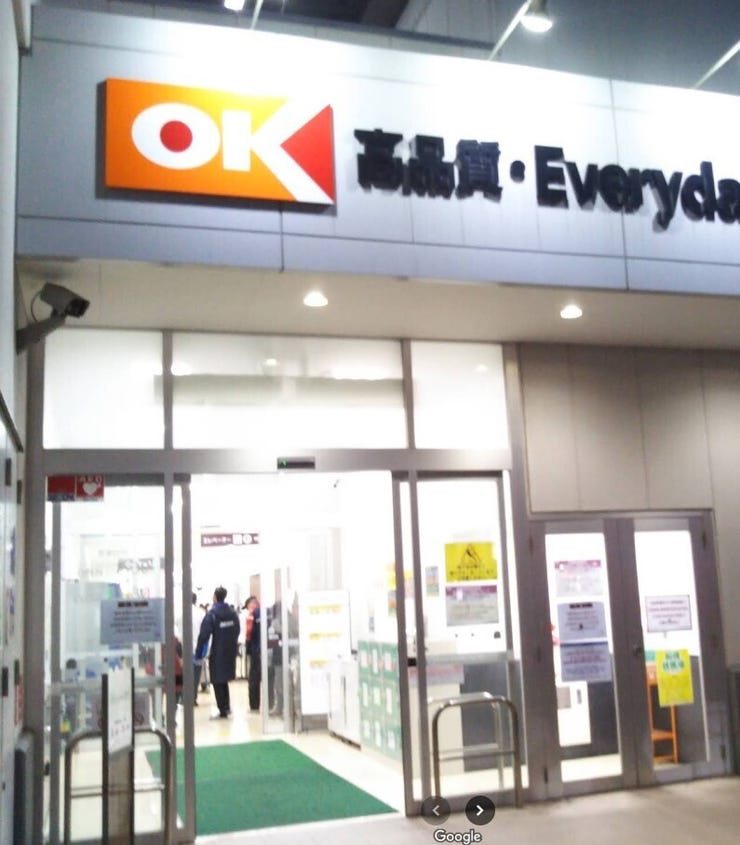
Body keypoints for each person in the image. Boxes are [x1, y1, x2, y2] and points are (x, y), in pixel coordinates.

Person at [195, 586, 240, 719]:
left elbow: (204, 635)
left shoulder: (212, 614)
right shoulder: (232, 613)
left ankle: (223, 710)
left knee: (217, 679)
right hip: (230, 650)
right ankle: (226, 707)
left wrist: (199, 653)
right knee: (224, 679)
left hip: (217, 651)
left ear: (214, 597)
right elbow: (237, 629)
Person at [244, 595, 261, 712]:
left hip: (255, 650)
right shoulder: (264, 612)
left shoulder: (252, 614)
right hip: (265, 649)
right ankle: (270, 704)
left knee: (254, 679)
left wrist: (249, 647)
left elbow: (249, 632)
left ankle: (254, 705)